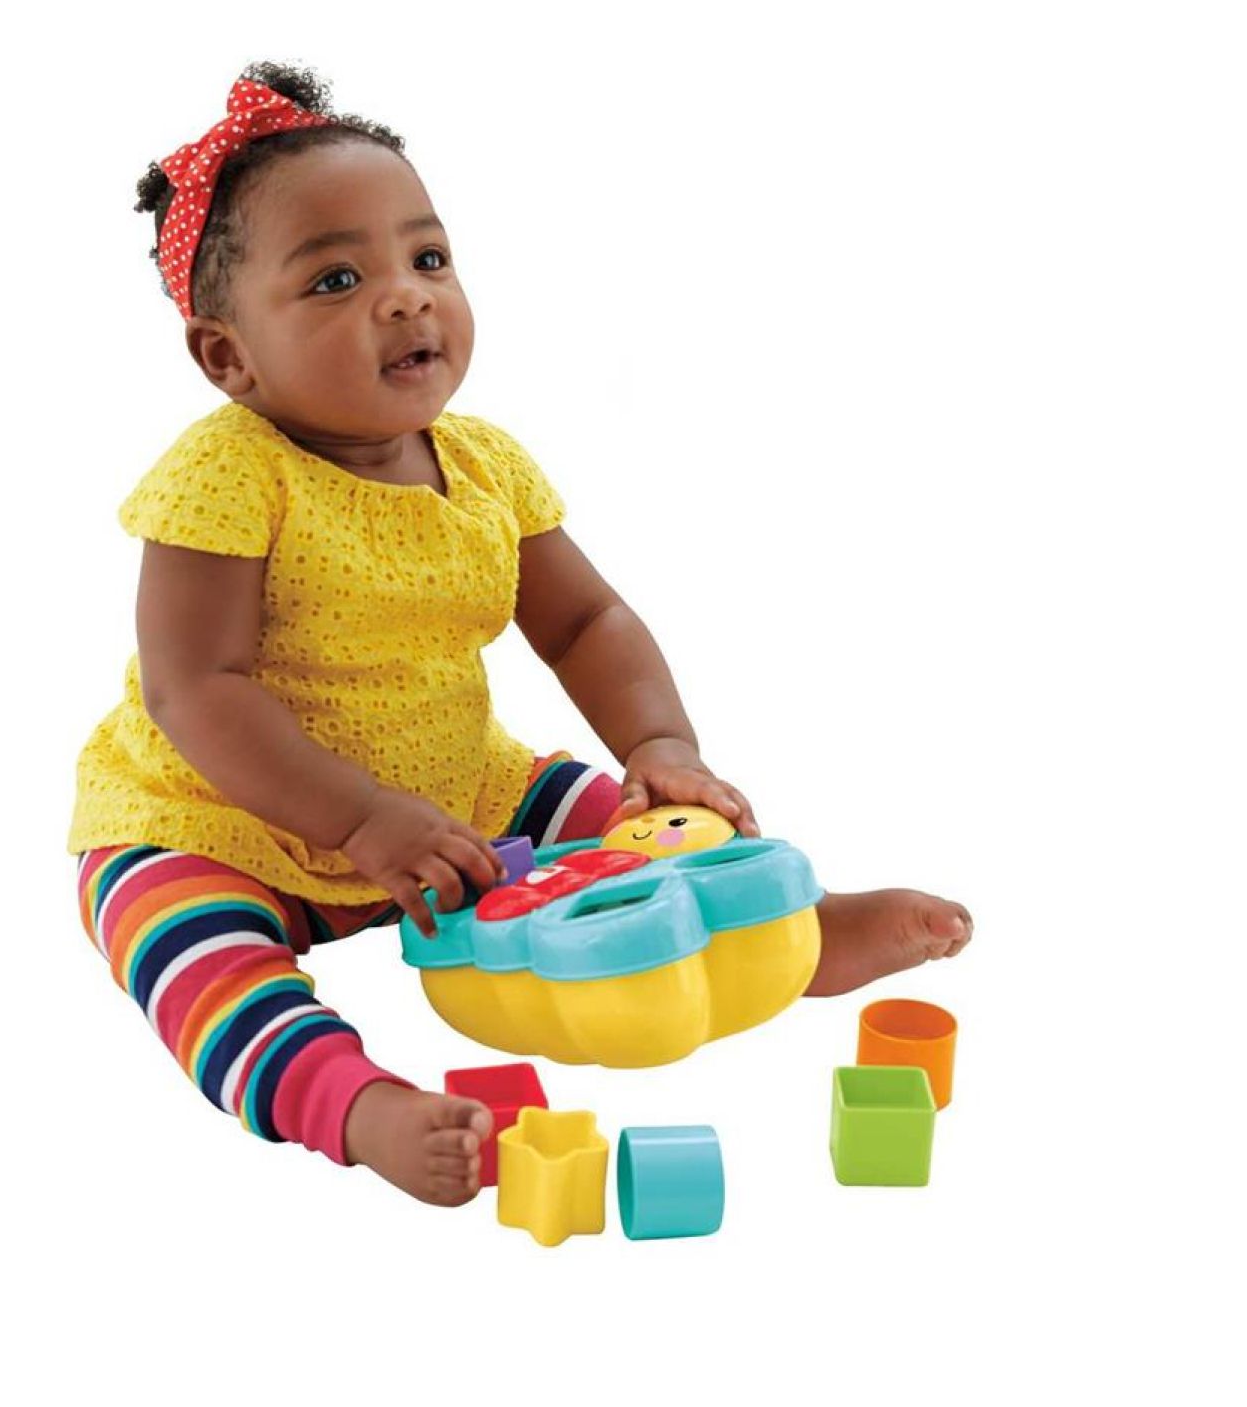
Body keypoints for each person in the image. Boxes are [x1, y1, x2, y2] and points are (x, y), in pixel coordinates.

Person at [68, 63, 974, 1208]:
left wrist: (660, 746)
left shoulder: (485, 463)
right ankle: (354, 1103)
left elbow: (588, 621)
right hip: (216, 820)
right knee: (192, 962)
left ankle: (793, 935)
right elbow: (196, 688)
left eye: (427, 259)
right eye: (339, 279)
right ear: (227, 358)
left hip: (454, 799)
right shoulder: (226, 477)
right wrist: (361, 820)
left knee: (648, 831)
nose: (405, 300)